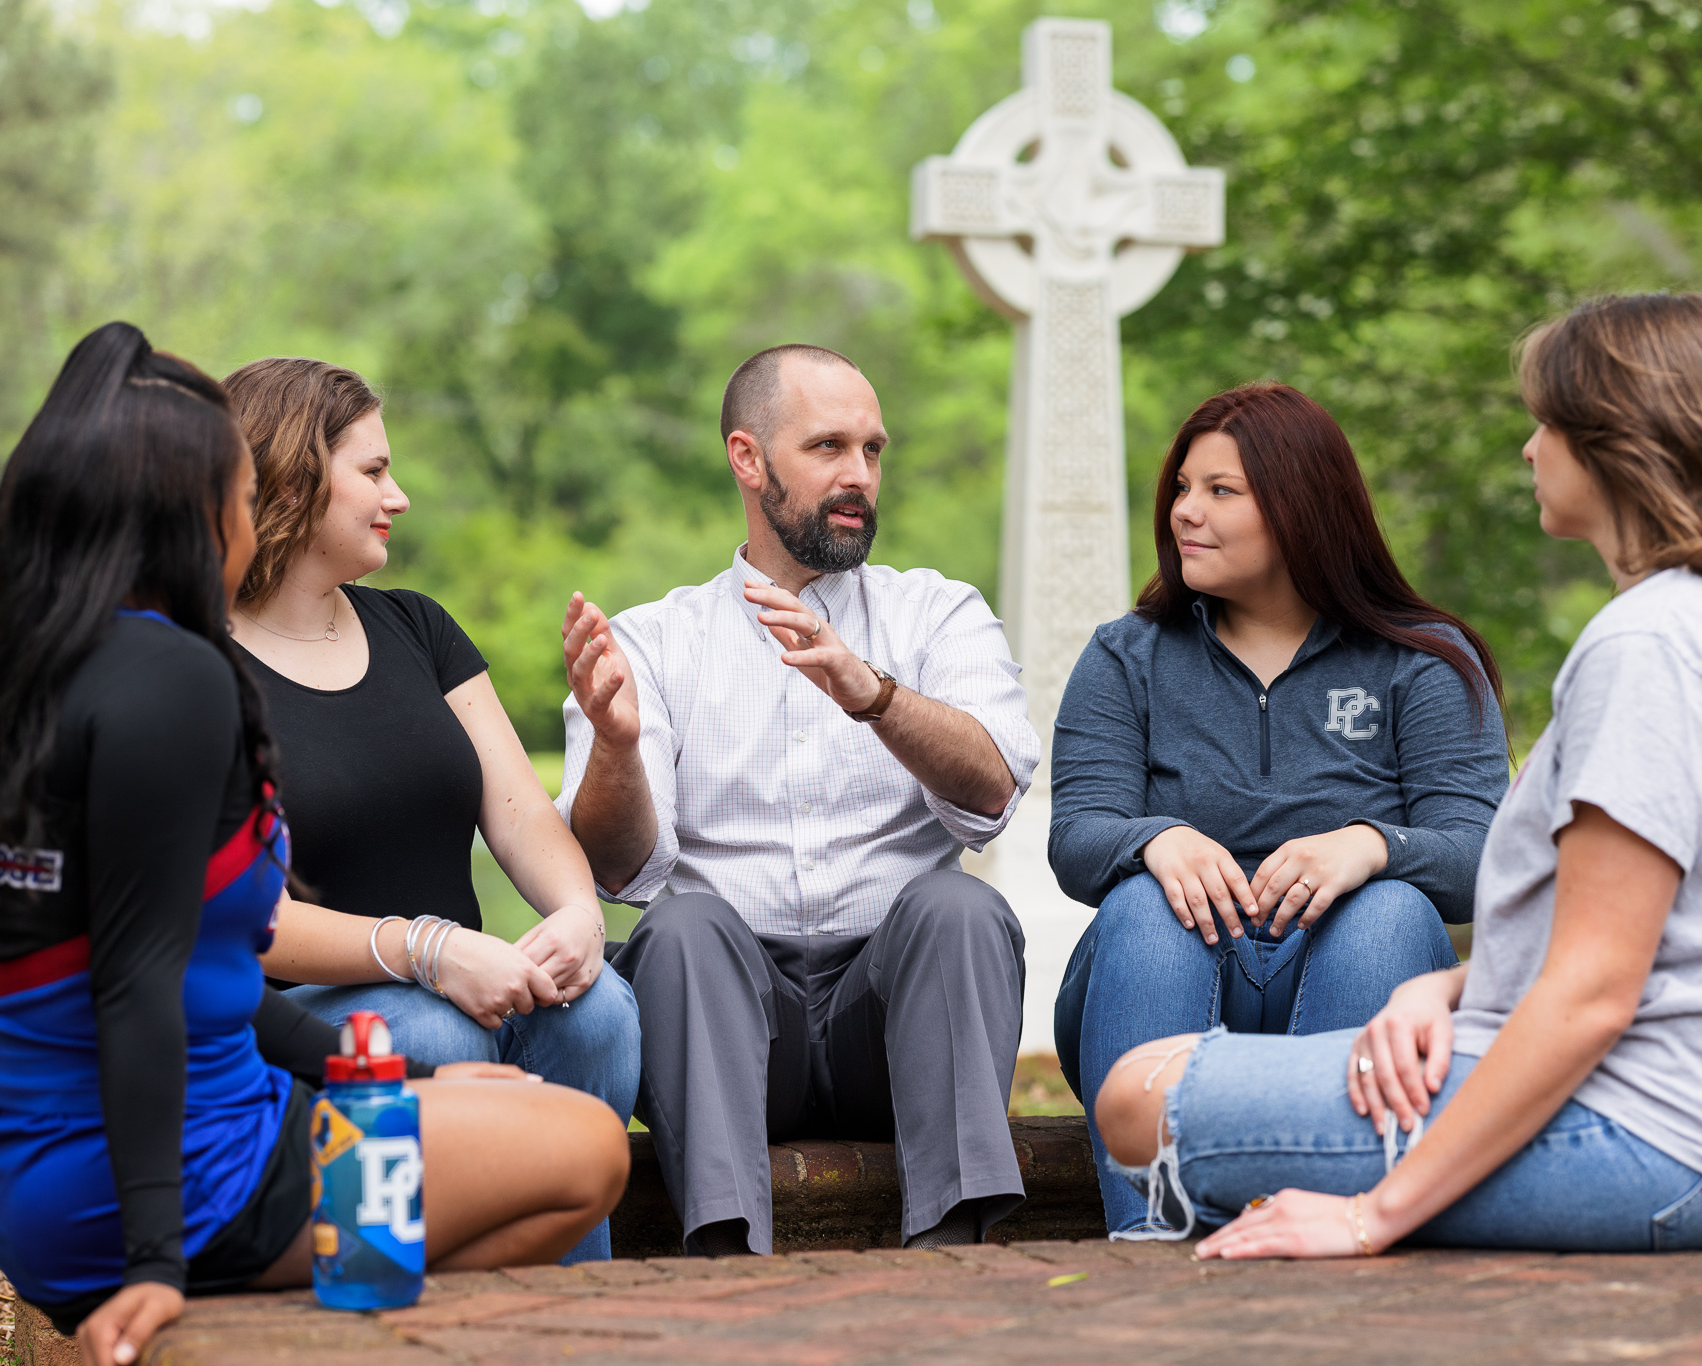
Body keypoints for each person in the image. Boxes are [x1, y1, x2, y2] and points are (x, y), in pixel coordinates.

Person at [1093, 292, 1702, 1257]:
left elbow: (1596, 989)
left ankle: (1282, 1230)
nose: (1528, 448)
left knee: (1140, 1100)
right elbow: (1652, 941)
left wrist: (1371, 1216)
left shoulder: (1653, 644)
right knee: (1172, 1064)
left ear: (1618, 443)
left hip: (1661, 1138)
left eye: (1548, 422)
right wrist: (1453, 990)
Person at [0, 323, 629, 1365]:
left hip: (36, 1184)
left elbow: (188, 961)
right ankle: (342, 1318)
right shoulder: (178, 676)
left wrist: (362, 1077)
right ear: (191, 516)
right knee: (585, 1150)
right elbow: (140, 983)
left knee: (490, 1104)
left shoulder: (17, 667)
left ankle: (349, 1312)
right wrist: (155, 1262)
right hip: (184, 1186)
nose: (253, 521)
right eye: (242, 499)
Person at [558, 343, 1040, 1255]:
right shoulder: (653, 641)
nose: (860, 475)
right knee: (681, 926)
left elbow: (993, 792)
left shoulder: (937, 614)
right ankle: (728, 1262)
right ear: (748, 459)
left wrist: (877, 697)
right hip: (733, 1023)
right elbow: (619, 868)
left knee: (958, 905)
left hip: (898, 1018)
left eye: (873, 450)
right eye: (828, 448)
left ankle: (957, 1256)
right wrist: (616, 747)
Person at [1049, 381, 1510, 1234]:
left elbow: (1486, 858)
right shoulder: (1127, 656)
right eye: (1183, 487)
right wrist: (1158, 839)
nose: (1187, 511)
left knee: (1392, 909)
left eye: (1222, 492)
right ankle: (1147, 1234)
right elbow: (1076, 839)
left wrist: (1372, 845)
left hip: (1347, 971)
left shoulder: (1424, 662)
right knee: (1145, 907)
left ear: (1302, 508)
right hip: (1169, 978)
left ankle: (1333, 1218)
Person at [220, 358, 642, 1262]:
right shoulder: (199, 667)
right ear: (293, 476)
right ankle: (392, 1289)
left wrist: (574, 913)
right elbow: (236, 919)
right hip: (299, 1020)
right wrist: (427, 948)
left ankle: (572, 1300)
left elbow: (523, 816)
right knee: (424, 1026)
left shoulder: (418, 627)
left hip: (466, 978)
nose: (397, 496)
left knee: (598, 1006)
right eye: (372, 472)